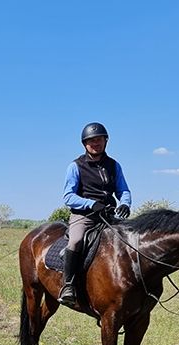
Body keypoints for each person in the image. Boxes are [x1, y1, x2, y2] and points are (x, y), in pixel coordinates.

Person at [58, 122, 132, 307]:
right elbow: (68, 196)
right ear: (85, 144)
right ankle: (68, 286)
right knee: (76, 241)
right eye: (91, 141)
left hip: (109, 215)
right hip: (85, 216)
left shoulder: (114, 165)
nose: (95, 144)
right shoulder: (75, 166)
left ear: (106, 141)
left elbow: (123, 190)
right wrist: (91, 204)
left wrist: (125, 203)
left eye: (99, 140)